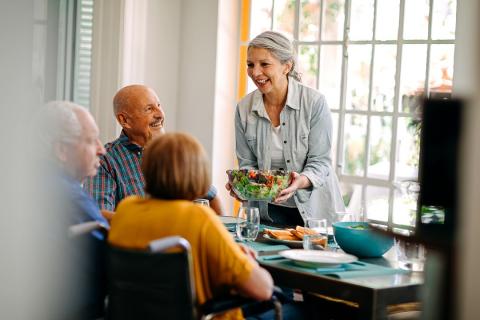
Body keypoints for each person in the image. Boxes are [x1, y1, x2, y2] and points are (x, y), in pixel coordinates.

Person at [108, 132, 273, 319]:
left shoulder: (126, 210)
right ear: (198, 173)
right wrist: (247, 260)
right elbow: (263, 290)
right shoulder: (198, 217)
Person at [231, 31, 345, 227]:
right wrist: (243, 185)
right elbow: (247, 163)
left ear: (287, 66)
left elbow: (320, 163)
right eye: (250, 64)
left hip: (314, 212)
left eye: (264, 64)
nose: (255, 72)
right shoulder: (244, 108)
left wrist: (298, 182)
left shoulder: (314, 103)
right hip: (266, 213)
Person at [84, 84, 224, 219]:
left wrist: (224, 231)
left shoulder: (174, 151)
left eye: (159, 105)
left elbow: (210, 196)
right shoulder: (105, 160)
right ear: (124, 120)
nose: (160, 114)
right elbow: (99, 217)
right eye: (149, 109)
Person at [40, 101, 109, 319]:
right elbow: (113, 264)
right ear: (61, 150)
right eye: (91, 140)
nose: (102, 149)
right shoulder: (69, 197)